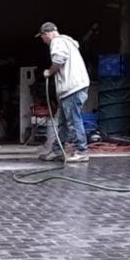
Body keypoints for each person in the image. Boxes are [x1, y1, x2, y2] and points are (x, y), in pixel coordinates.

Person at [37, 22, 90, 162]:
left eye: (42, 37)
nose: (43, 40)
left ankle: (82, 151)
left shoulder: (57, 42)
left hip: (72, 88)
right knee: (63, 123)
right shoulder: (68, 42)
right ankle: (57, 150)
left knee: (73, 121)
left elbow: (59, 59)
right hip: (72, 88)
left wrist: (50, 72)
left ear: (47, 34)